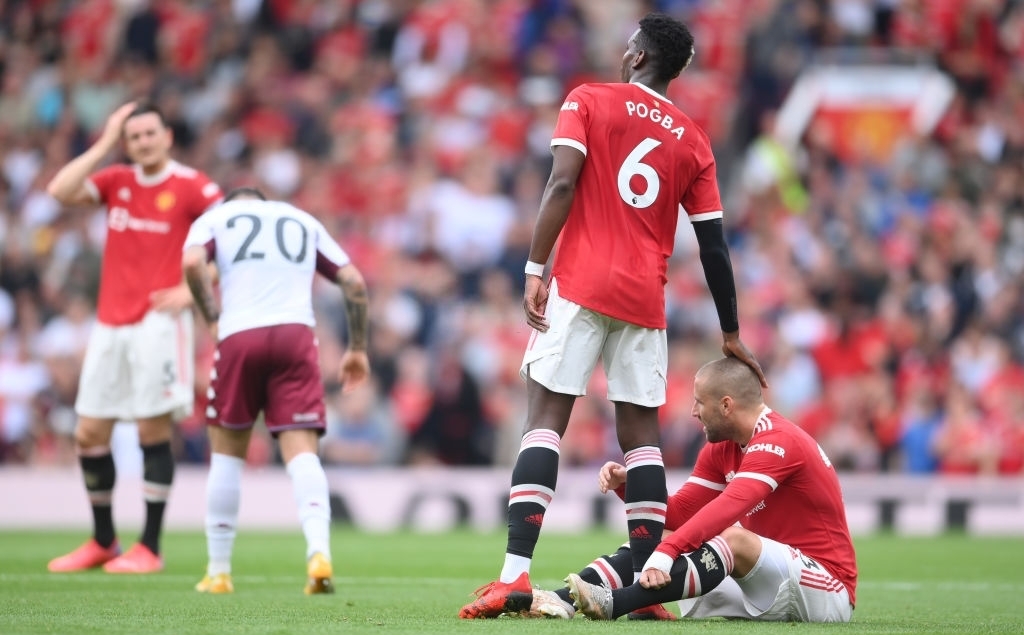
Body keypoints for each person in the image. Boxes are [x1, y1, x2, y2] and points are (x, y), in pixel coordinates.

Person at [459, 12, 766, 619]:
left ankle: (515, 575)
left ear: (636, 57)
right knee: (641, 442)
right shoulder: (695, 141)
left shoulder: (589, 99)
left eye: (629, 47)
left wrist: (533, 268)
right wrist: (730, 330)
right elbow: (712, 244)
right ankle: (648, 588)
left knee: (546, 419)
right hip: (644, 299)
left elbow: (561, 185)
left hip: (579, 281)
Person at [542, 357, 857, 622]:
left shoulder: (778, 440)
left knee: (728, 538)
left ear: (726, 405)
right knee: (659, 537)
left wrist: (668, 553)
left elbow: (730, 506)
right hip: (768, 579)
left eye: (699, 402)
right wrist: (632, 488)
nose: (693, 411)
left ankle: (618, 602)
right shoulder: (722, 448)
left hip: (826, 588)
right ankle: (559, 601)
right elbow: (679, 514)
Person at [46, 102, 223, 574]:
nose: (143, 142)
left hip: (159, 323)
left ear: (168, 135)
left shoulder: (192, 185)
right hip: (110, 322)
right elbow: (60, 189)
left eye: (150, 133)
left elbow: (231, 236)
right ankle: (104, 540)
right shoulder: (117, 180)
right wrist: (104, 143)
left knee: (151, 427)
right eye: (133, 136)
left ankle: (150, 546)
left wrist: (193, 289)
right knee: (89, 431)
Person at [181, 187, 370, 595]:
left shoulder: (216, 219)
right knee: (302, 451)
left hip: (239, 335)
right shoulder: (301, 219)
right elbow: (353, 280)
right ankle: (319, 554)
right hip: (295, 336)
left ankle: (218, 571)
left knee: (228, 453)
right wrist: (356, 348)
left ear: (232, 204)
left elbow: (193, 261)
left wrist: (211, 318)